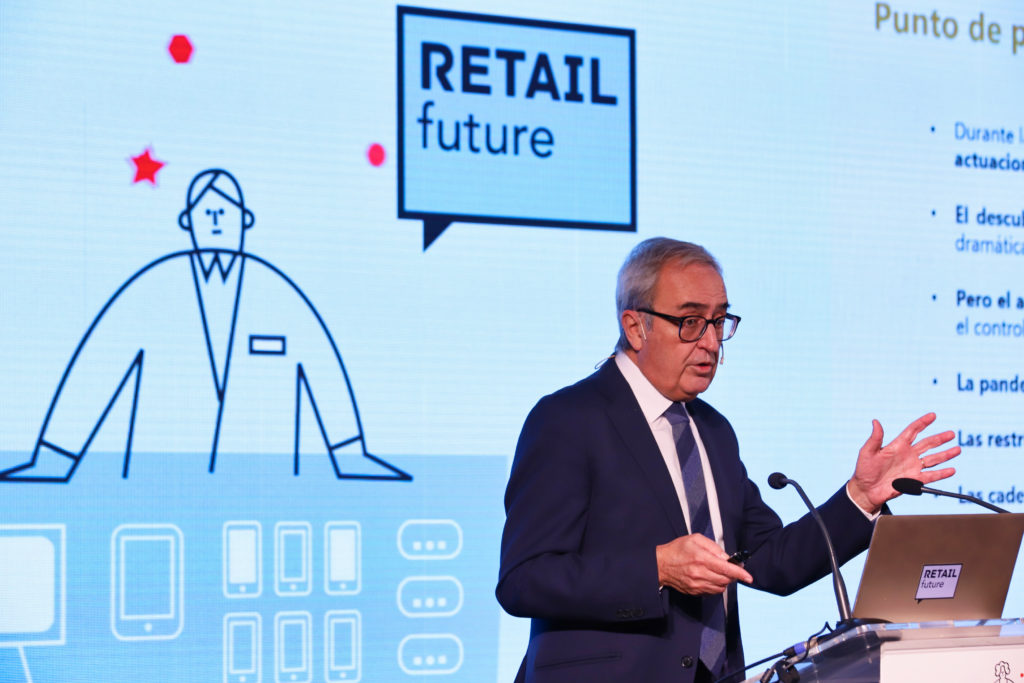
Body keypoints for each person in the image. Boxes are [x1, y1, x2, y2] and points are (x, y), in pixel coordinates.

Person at [496, 237, 959, 683]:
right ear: (636, 327)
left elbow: (774, 562)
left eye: (719, 321)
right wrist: (656, 569)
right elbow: (524, 579)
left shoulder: (713, 431)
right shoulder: (570, 419)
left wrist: (860, 498)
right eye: (690, 322)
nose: (711, 343)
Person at [1, 169, 409, 483]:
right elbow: (96, 366)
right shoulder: (155, 285)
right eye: (205, 212)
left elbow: (324, 370)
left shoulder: (277, 292)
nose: (215, 220)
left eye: (224, 212)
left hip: (263, 484)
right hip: (162, 479)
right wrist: (55, 456)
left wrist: (349, 454)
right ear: (188, 222)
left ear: (244, 220)